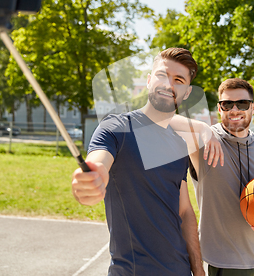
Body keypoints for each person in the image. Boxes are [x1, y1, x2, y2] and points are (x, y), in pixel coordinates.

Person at [71, 48, 209, 276]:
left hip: (181, 270)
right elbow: (99, 162)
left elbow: (184, 211)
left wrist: (198, 270)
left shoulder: (180, 145)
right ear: (148, 80)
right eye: (162, 75)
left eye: (178, 80)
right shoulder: (116, 128)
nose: (168, 84)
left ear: (186, 92)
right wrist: (92, 177)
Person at [183, 78, 254, 276]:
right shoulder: (204, 143)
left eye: (242, 104)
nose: (234, 110)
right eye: (227, 104)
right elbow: (162, 120)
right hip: (220, 261)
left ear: (253, 107)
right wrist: (203, 128)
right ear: (219, 109)